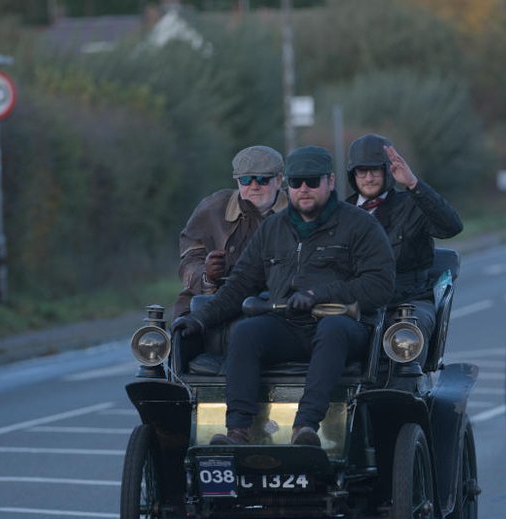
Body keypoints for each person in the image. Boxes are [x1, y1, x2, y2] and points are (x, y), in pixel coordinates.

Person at [170, 146, 394, 448]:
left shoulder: (361, 225)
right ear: (287, 185)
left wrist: (319, 294)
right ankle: (237, 432)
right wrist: (198, 319)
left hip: (343, 325)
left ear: (330, 182)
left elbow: (380, 285)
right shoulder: (274, 229)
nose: (304, 189)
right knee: (246, 332)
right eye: (297, 182)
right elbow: (239, 286)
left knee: (332, 330)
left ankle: (305, 428)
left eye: (312, 182)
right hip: (288, 324)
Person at [344, 133, 463, 371]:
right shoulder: (340, 213)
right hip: (355, 303)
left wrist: (413, 185)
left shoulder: (412, 205)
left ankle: (404, 399)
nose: (368, 178)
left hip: (407, 300)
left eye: (375, 170)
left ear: (388, 171)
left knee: (408, 337)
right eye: (362, 171)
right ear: (352, 175)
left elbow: (451, 226)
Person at [170, 145, 288, 319]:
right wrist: (206, 275)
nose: (254, 186)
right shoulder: (213, 208)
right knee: (183, 330)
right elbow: (190, 258)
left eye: (262, 179)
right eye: (246, 180)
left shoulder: (299, 211)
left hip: (281, 303)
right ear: (237, 182)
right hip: (216, 298)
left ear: (279, 180)